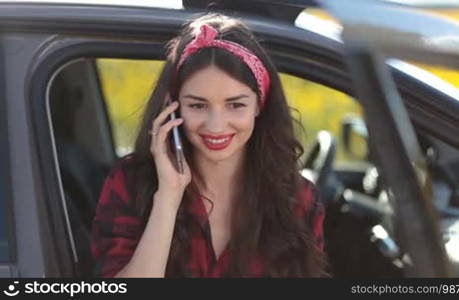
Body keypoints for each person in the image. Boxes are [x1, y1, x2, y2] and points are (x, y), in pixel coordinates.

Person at [90, 12, 329, 278]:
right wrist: (168, 198)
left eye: (235, 105)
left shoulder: (298, 200)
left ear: (260, 105)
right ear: (172, 107)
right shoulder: (131, 183)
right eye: (197, 105)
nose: (216, 125)